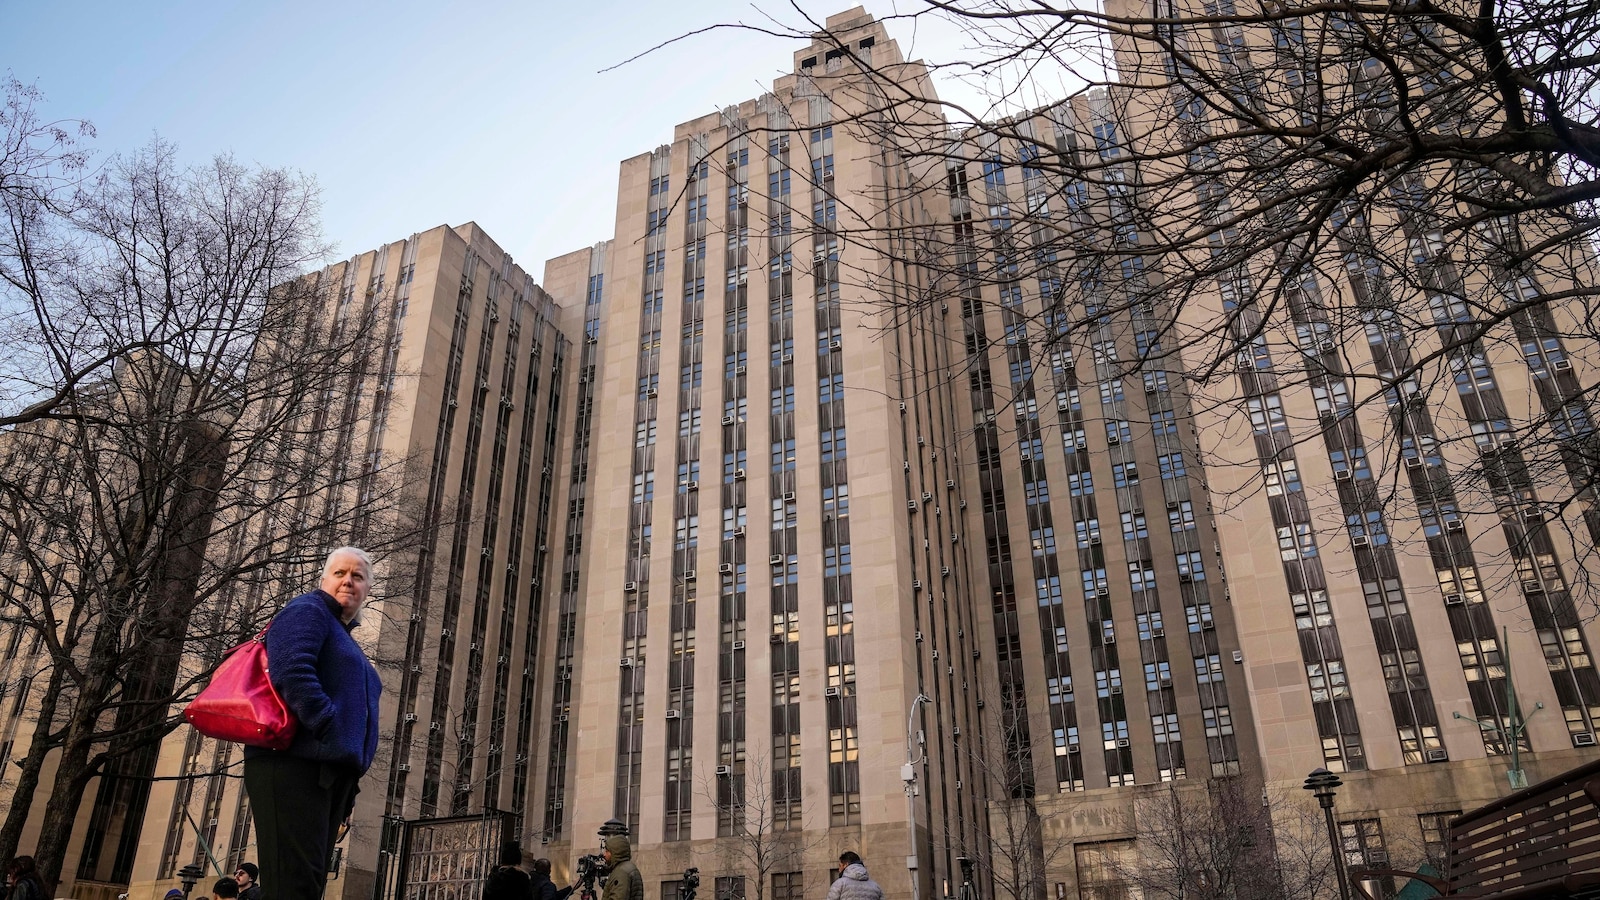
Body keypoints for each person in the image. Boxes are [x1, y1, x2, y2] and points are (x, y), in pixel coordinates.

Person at [243, 547, 383, 900]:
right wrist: (326, 724)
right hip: (294, 765)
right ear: (323, 579)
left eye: (358, 576)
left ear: (368, 589)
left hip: (328, 775)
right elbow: (292, 670)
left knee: (307, 887)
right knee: (293, 887)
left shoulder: (343, 637)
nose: (348, 581)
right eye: (340, 573)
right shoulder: (308, 610)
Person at [598, 836, 642, 900]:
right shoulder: (627, 868)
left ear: (615, 852)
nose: (604, 854)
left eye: (607, 851)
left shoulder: (621, 872)